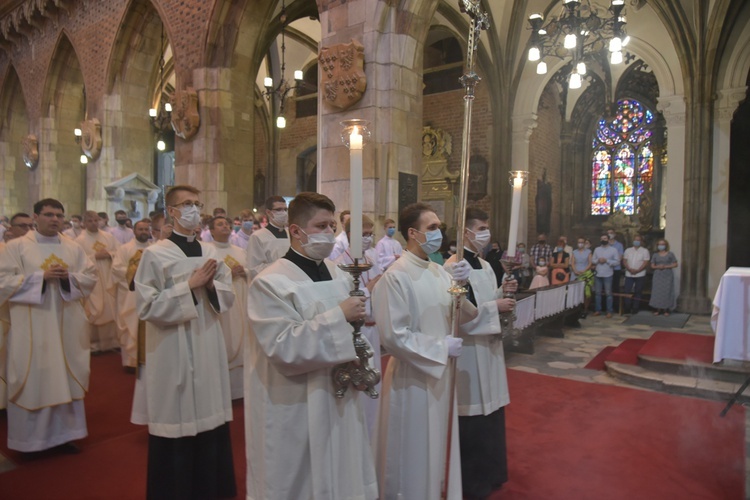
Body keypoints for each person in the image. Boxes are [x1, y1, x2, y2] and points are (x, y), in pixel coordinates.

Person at [245, 192, 377, 499]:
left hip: (339, 395)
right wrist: (339, 315)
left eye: (332, 225)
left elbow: (355, 333)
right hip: (297, 402)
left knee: (342, 470)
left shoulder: (338, 275)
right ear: (295, 231)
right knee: (301, 480)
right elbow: (282, 346)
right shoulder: (270, 282)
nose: (329, 233)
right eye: (321, 225)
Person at [372, 202, 505, 500]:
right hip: (412, 378)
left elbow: (465, 313)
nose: (438, 233)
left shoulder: (439, 272)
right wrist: (439, 347)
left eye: (438, 228)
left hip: (440, 376)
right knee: (412, 449)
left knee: (437, 449)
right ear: (412, 233)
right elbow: (393, 336)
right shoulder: (396, 276)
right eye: (431, 228)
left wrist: (461, 284)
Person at [134, 185, 236, 499]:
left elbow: (227, 295)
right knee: (177, 419)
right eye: (186, 204)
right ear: (173, 212)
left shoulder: (210, 252)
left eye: (197, 203)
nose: (193, 209)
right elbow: (146, 306)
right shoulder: (155, 253)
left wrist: (210, 288)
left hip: (207, 342)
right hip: (172, 349)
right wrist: (189, 288)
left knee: (210, 415)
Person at [0, 199, 97, 455]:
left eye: (59, 215)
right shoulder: (16, 247)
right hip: (31, 325)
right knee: (35, 377)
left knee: (65, 375)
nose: (55, 219)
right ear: (35, 217)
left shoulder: (73, 248)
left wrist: (69, 278)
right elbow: (2, 282)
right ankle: (31, 442)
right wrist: (39, 278)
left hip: (66, 324)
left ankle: (66, 435)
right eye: (49, 214)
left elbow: (90, 277)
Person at [443, 208, 516, 499]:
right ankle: (473, 483)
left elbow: (487, 300)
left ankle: (493, 472)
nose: (486, 233)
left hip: (489, 350)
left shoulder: (484, 265)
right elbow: (458, 313)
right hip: (470, 352)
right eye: (482, 228)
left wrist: (503, 292)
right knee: (473, 416)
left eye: (487, 227)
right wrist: (494, 308)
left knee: (492, 411)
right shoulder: (454, 266)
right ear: (467, 233)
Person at [333, 214, 383, 439]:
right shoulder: (339, 263)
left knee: (375, 382)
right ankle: (357, 434)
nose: (367, 239)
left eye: (370, 234)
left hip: (374, 329)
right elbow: (342, 300)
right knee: (359, 383)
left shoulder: (372, 257)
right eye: (363, 234)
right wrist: (369, 288)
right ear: (350, 235)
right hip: (357, 331)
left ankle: (373, 431)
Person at [209, 215, 249, 400]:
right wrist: (227, 275)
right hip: (223, 305)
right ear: (211, 231)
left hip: (243, 297)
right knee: (226, 338)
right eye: (219, 224)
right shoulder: (208, 252)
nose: (225, 226)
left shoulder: (240, 251)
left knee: (245, 340)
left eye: (226, 223)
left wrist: (245, 272)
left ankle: (242, 389)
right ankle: (224, 391)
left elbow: (252, 269)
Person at [0, 212, 35, 411]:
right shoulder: (7, 249)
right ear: (10, 229)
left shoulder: (34, 250)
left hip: (24, 311)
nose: (28, 230)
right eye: (22, 226)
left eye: (30, 225)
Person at [76, 211, 120, 352]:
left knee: (110, 307)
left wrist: (110, 254)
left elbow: (119, 252)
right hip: (93, 280)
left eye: (96, 220)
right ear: (84, 223)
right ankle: (94, 345)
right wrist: (95, 256)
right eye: (90, 220)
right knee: (95, 308)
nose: (94, 223)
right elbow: (78, 261)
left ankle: (111, 343)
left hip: (108, 276)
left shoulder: (108, 237)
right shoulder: (79, 241)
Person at [111, 219, 152, 369]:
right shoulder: (125, 249)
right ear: (134, 231)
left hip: (148, 294)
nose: (143, 232)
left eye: (146, 229)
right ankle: (129, 361)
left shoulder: (154, 248)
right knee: (129, 324)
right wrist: (135, 274)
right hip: (129, 293)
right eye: (140, 229)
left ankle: (146, 358)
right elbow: (116, 268)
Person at [246, 195, 290, 281]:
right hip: (271, 283)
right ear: (269, 212)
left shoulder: (291, 235)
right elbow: (254, 269)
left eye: (285, 209)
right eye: (279, 210)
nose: (284, 213)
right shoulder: (258, 236)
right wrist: (281, 267)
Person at [592, 233, 620, 318]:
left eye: (605, 238)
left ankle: (609, 311)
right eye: (602, 238)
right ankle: (598, 310)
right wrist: (598, 260)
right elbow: (593, 260)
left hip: (608, 274)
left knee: (608, 293)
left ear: (608, 239)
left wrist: (607, 260)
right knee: (597, 293)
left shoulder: (613, 250)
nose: (603, 240)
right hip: (598, 274)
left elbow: (617, 262)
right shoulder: (597, 249)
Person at [622, 235, 650, 314]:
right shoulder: (628, 250)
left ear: (641, 242)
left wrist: (638, 270)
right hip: (629, 273)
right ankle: (627, 307)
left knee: (638, 291)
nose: (636, 241)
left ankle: (635, 308)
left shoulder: (645, 251)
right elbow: (624, 260)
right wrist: (629, 268)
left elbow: (645, 262)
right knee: (627, 291)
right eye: (635, 240)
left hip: (640, 274)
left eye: (638, 240)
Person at [649, 239, 678, 315]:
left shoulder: (670, 254)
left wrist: (666, 266)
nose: (661, 246)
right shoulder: (655, 255)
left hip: (667, 275)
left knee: (667, 291)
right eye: (659, 244)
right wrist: (658, 266)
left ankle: (666, 309)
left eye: (662, 244)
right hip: (658, 275)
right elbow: (652, 265)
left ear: (666, 245)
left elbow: (675, 264)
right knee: (657, 291)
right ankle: (657, 309)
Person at [571, 236, 593, 316]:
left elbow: (590, 262)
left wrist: (584, 270)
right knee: (575, 291)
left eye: (582, 242)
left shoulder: (588, 252)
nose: (580, 244)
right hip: (575, 273)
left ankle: (585, 308)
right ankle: (575, 308)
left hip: (585, 273)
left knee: (586, 292)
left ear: (584, 243)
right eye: (579, 242)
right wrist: (575, 270)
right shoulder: (574, 252)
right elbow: (572, 263)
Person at [608, 229, 624, 294]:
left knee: (615, 287)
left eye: (611, 233)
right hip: (607, 269)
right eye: (608, 233)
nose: (610, 234)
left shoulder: (619, 245)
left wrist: (610, 262)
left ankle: (615, 303)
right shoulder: (605, 244)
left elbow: (620, 257)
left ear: (614, 234)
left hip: (616, 269)